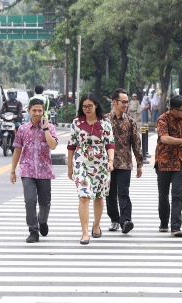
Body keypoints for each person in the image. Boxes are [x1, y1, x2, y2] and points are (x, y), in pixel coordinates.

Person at [67, 94, 115, 245]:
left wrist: (111, 161)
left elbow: (110, 144)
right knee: (84, 196)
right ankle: (85, 232)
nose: (87, 109)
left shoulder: (105, 123)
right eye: (84, 106)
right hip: (81, 163)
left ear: (96, 106)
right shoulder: (76, 123)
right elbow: (71, 145)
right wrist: (70, 166)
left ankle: (96, 225)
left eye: (89, 106)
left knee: (99, 196)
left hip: (101, 164)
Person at [10, 98, 58, 243]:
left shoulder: (50, 127)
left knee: (45, 203)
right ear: (29, 111)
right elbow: (17, 150)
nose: (37, 113)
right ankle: (33, 230)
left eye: (40, 110)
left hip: (44, 171)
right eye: (34, 110)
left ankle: (42, 222)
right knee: (30, 200)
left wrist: (45, 129)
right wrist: (13, 171)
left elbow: (53, 145)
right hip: (27, 171)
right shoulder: (23, 129)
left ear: (44, 112)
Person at [105, 88, 143, 234]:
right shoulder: (105, 120)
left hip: (125, 163)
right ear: (114, 102)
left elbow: (136, 143)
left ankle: (126, 220)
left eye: (127, 102)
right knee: (110, 193)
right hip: (108, 163)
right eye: (123, 102)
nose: (126, 104)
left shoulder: (131, 122)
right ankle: (115, 219)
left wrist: (139, 164)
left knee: (124, 192)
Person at [155, 94, 182, 237]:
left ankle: (176, 227)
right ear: (174, 110)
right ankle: (164, 221)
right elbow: (164, 138)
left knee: (177, 195)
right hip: (164, 162)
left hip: (180, 162)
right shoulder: (163, 119)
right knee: (163, 195)